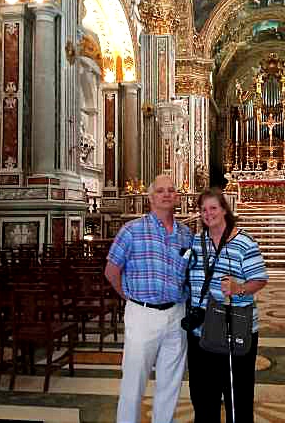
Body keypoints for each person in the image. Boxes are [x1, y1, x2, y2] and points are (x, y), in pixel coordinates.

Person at [105, 174, 193, 423]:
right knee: (134, 381)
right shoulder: (131, 230)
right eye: (161, 191)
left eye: (171, 191)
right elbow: (111, 271)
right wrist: (131, 298)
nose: (167, 194)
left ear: (177, 197)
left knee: (170, 383)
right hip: (143, 314)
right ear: (151, 197)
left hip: (177, 314)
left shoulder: (186, 235)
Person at [186, 188, 268, 423]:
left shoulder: (244, 242)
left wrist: (239, 288)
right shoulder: (196, 241)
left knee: (238, 396)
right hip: (201, 330)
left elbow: (260, 279)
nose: (208, 213)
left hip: (234, 328)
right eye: (203, 209)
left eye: (213, 208)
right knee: (203, 396)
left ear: (224, 210)